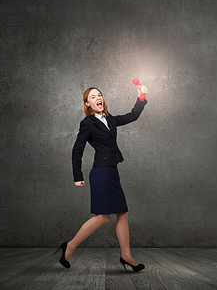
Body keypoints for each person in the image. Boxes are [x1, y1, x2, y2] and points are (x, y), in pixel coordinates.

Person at [54, 85, 148, 272]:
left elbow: (132, 116)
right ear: (87, 103)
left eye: (99, 95)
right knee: (104, 217)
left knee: (122, 213)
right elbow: (77, 150)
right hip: (101, 173)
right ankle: (70, 246)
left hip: (111, 171)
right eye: (92, 96)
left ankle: (126, 255)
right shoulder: (87, 123)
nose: (98, 98)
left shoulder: (110, 119)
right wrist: (77, 176)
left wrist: (142, 98)